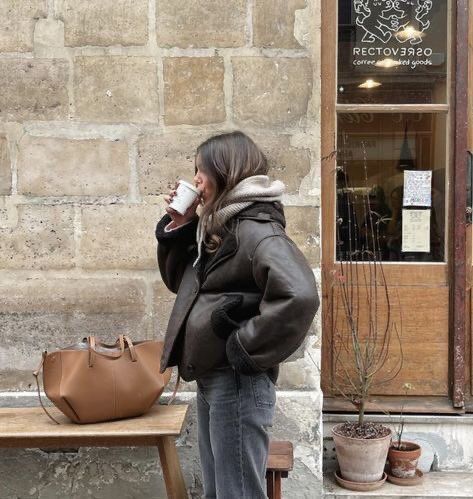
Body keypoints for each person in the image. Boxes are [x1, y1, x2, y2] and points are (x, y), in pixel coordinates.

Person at [155, 131, 319, 499]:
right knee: (221, 490)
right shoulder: (220, 226)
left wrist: (242, 345)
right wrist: (180, 226)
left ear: (226, 171)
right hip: (217, 377)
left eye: (202, 171)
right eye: (194, 170)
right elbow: (180, 283)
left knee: (237, 492)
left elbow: (301, 295)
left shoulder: (256, 230)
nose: (195, 179)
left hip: (238, 380)